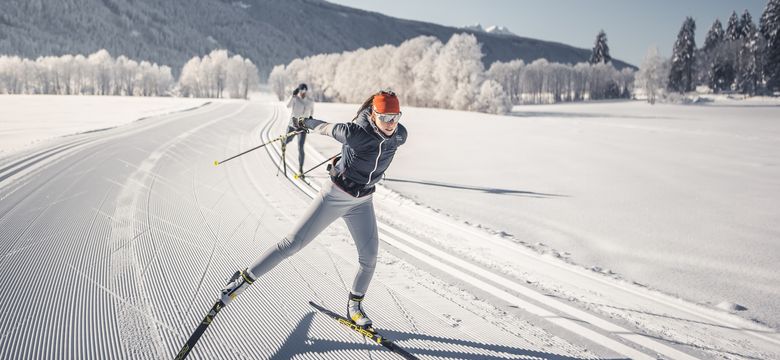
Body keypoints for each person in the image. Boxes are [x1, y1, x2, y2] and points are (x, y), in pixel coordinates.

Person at [221, 90, 407, 329]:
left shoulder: (400, 135)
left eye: (396, 116)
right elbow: (326, 127)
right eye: (385, 117)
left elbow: (378, 152)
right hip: (336, 196)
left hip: (363, 201)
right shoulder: (355, 133)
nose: (391, 123)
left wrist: (350, 158)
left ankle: (354, 307)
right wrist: (302, 122)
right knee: (293, 244)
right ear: (373, 114)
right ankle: (242, 280)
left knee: (369, 257)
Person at [285, 83, 314, 176]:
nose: (303, 93)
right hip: (293, 124)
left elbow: (311, 112)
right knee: (287, 140)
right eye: (301, 91)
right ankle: (283, 144)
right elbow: (287, 106)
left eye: (304, 91)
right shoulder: (295, 99)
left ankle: (300, 169)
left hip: (302, 126)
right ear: (299, 91)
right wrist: (292, 95)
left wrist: (310, 119)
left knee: (301, 147)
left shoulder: (310, 101)